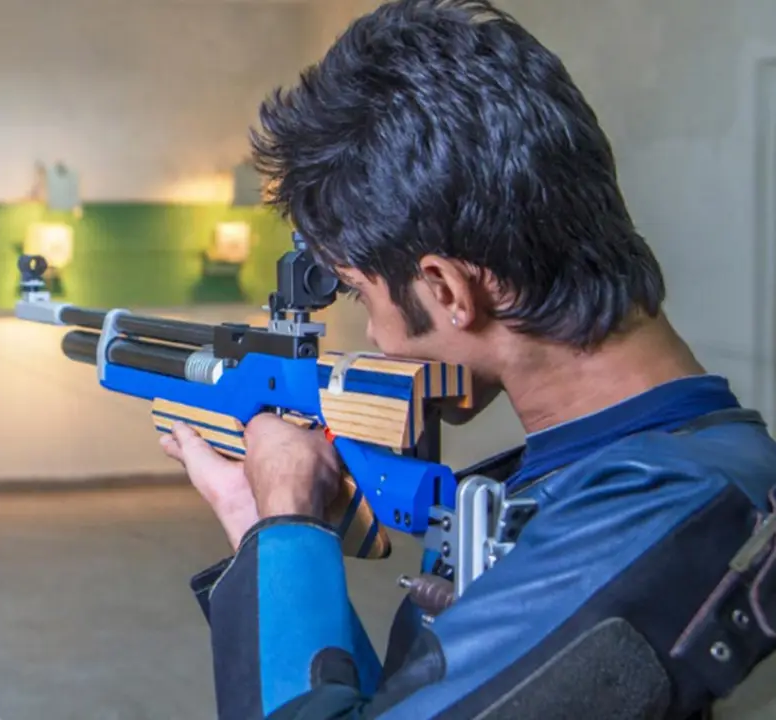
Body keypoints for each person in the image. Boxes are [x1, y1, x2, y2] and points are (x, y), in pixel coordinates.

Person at [158, 1, 776, 718]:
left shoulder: (658, 512)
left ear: (449, 288)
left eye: (360, 295)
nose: (376, 336)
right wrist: (259, 524)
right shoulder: (660, 470)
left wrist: (289, 516)